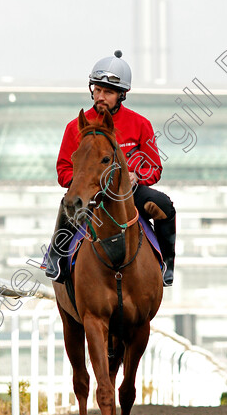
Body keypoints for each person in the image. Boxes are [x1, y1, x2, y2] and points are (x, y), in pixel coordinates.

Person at [44, 50, 176, 286]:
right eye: (97, 90)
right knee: (68, 203)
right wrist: (85, 178)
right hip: (90, 193)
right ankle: (55, 257)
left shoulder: (140, 124)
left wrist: (137, 175)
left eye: (108, 92)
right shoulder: (75, 127)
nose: (100, 96)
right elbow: (63, 170)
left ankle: (166, 263)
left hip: (128, 194)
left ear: (121, 95)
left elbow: (154, 167)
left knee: (164, 204)